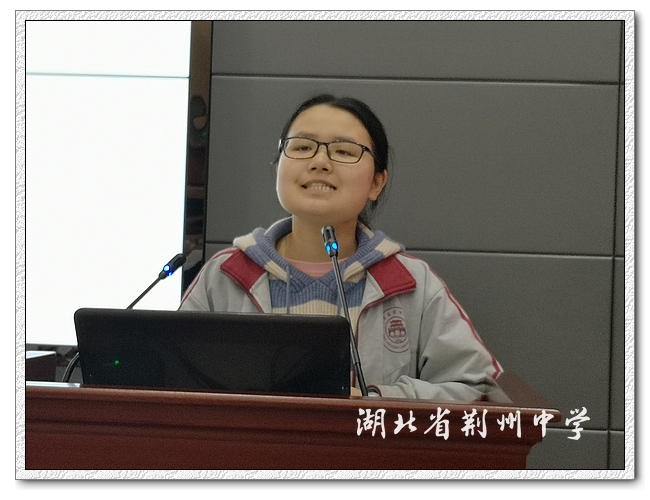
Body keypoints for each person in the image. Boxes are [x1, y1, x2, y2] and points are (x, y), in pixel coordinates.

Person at [180, 94, 502, 400]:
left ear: (376, 183)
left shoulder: (411, 283)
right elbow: (172, 380)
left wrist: (374, 401)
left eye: (345, 151)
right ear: (277, 169)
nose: (320, 162)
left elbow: (479, 387)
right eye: (302, 147)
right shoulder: (226, 274)